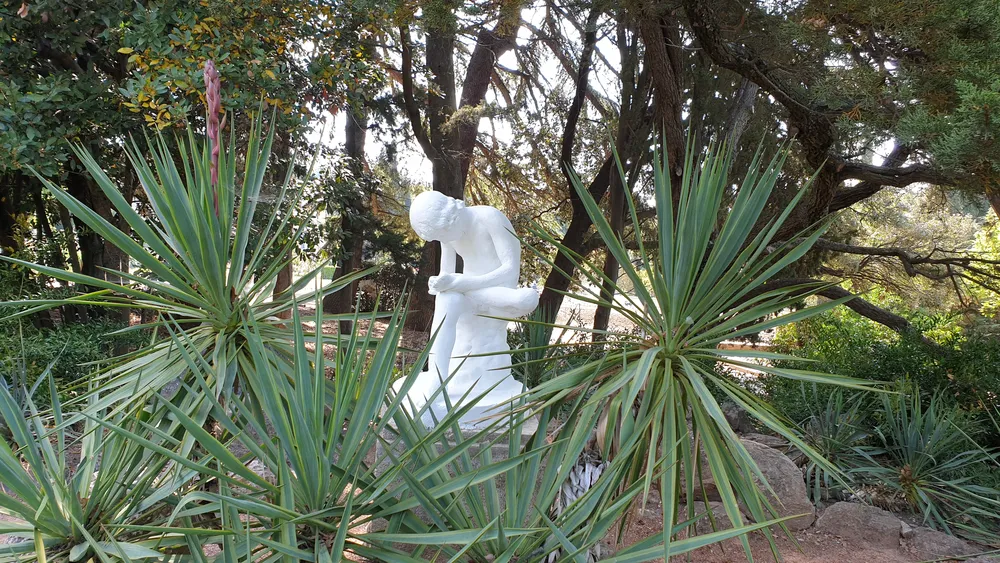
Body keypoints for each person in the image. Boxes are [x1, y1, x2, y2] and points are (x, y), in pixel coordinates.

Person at [402, 191, 539, 425]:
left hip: (496, 292)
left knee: (526, 299)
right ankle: (437, 378)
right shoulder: (448, 233)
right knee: (447, 300)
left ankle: (464, 290)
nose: (443, 239)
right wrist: (439, 283)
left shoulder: (490, 218)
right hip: (469, 292)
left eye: (442, 234)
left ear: (451, 216)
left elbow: (509, 270)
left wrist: (462, 283)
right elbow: (447, 273)